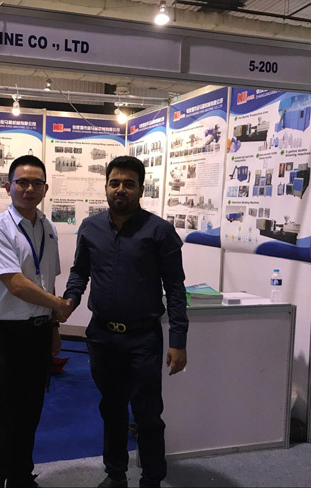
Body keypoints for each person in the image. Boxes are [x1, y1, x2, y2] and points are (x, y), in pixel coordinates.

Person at [64, 156, 188, 488]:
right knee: (112, 408)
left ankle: (152, 479)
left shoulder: (160, 231)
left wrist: (178, 340)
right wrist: (69, 301)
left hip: (142, 340)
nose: (121, 189)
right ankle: (115, 474)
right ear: (106, 187)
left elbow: (176, 289)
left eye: (129, 184)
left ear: (141, 189)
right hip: (102, 338)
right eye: (115, 183)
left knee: (148, 414)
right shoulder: (90, 228)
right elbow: (79, 272)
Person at [0, 155, 73, 488]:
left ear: (46, 189)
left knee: (30, 413)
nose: (29, 189)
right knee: (1, 419)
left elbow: (48, 281)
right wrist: (59, 306)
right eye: (22, 182)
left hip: (38, 334)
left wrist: (54, 326)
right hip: (6, 335)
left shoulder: (48, 228)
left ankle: (21, 478)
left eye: (37, 183)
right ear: (8, 186)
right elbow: (16, 283)